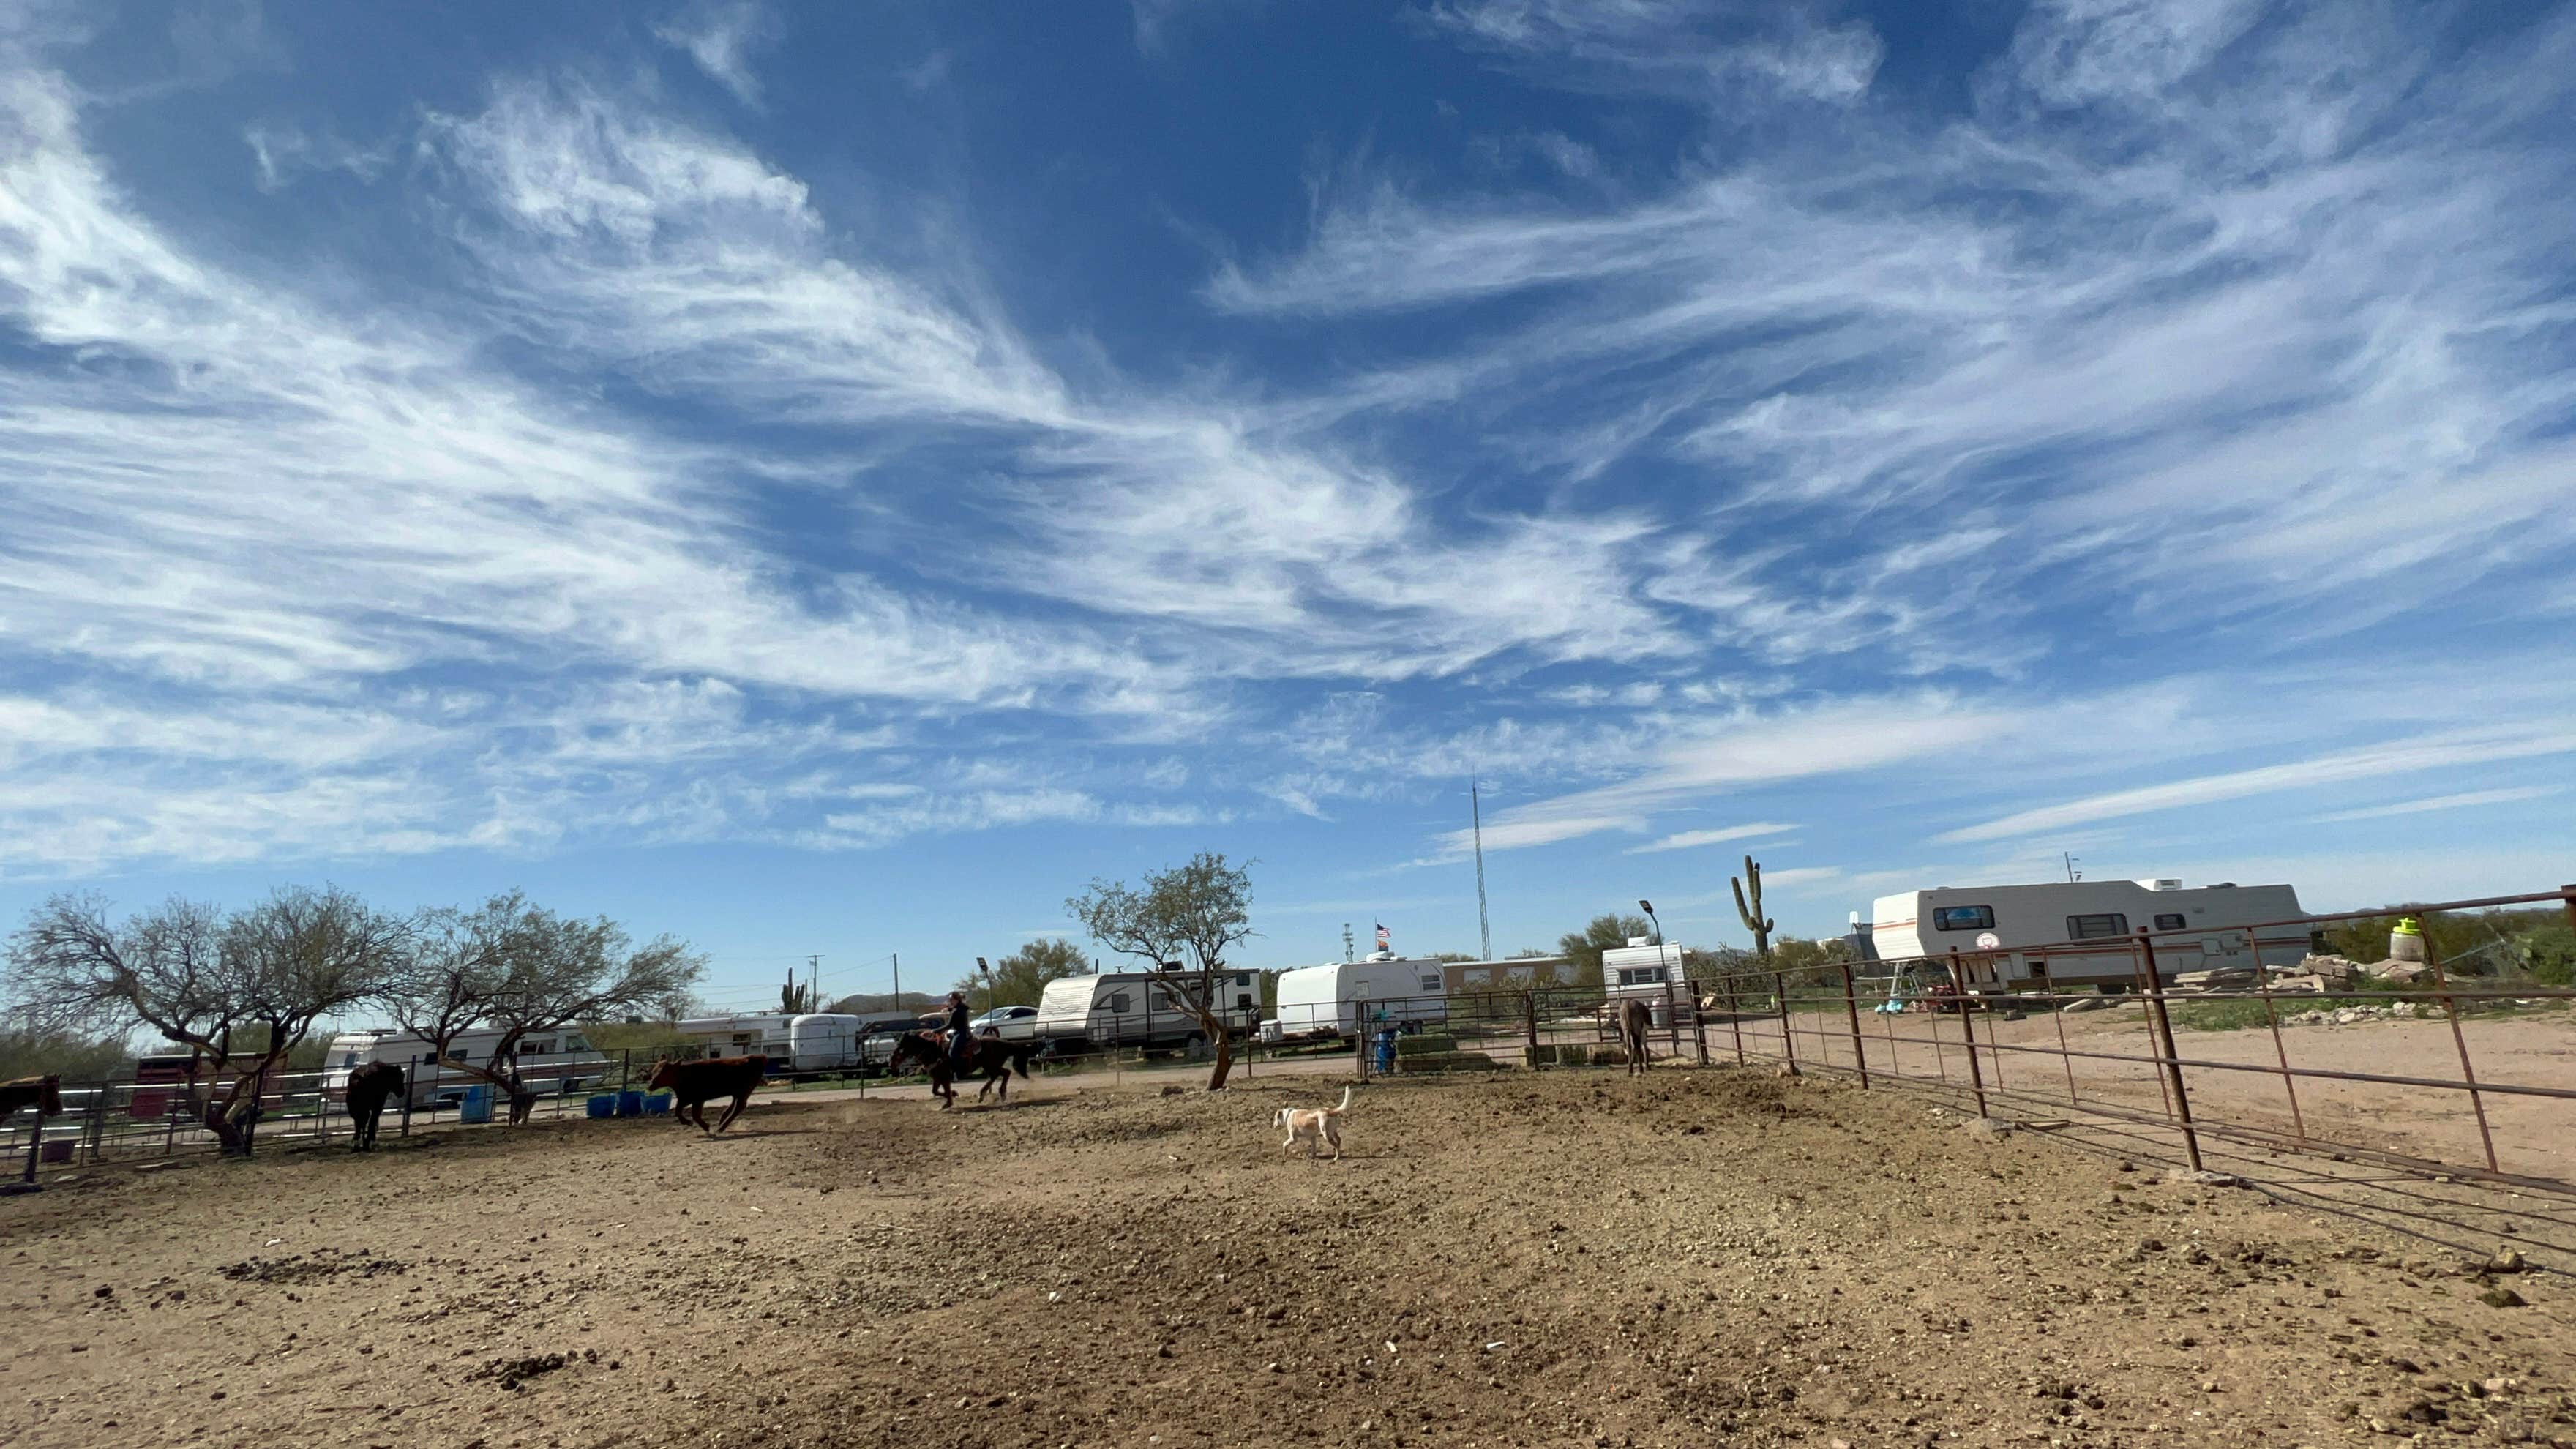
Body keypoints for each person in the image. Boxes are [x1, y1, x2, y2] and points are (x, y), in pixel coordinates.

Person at [942, 990, 976, 1073]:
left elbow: (949, 1025)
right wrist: (949, 1009)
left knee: (952, 1053)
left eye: (951, 999)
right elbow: (954, 1010)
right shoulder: (961, 1008)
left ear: (956, 1000)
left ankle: (960, 1071)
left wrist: (935, 1031)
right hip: (962, 1031)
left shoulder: (957, 1011)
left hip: (961, 1033)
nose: (950, 1001)